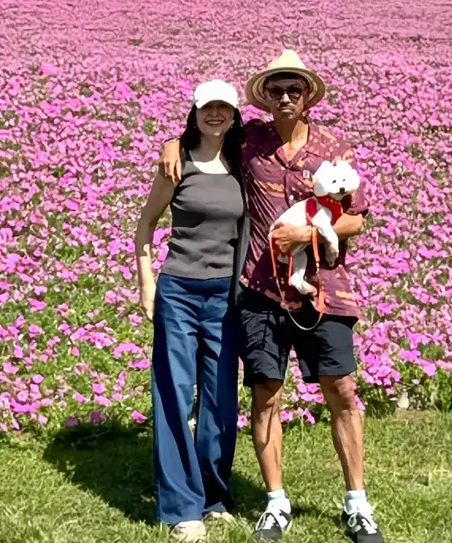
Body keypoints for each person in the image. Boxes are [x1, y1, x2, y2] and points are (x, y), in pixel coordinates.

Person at [161, 50, 382, 543]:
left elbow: (357, 219)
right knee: (265, 395)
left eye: (294, 90)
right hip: (262, 292)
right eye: (276, 90)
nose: (285, 97)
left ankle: (357, 504)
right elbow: (205, 135)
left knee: (342, 391)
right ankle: (275, 502)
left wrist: (307, 236)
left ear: (307, 98)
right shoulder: (250, 141)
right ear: (265, 97)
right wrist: (172, 142)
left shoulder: (332, 147)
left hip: (324, 291)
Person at [137, 80, 247, 543]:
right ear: (195, 113)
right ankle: (181, 507)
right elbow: (145, 223)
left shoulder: (244, 163)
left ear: (235, 116)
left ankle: (213, 496)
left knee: (221, 397)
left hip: (225, 296)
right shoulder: (176, 162)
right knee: (174, 394)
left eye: (224, 108)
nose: (215, 114)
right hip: (179, 290)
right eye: (207, 107)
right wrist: (147, 284)